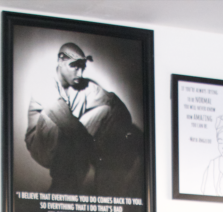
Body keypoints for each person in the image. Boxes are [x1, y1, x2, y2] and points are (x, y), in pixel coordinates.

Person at [25, 42, 143, 195]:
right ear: (60, 61)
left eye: (82, 68)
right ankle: (61, 187)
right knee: (60, 120)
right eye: (74, 66)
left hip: (73, 140)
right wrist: (93, 148)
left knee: (106, 110)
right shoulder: (45, 84)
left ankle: (104, 181)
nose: (79, 74)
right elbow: (67, 123)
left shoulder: (84, 86)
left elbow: (116, 106)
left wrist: (116, 140)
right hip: (43, 146)